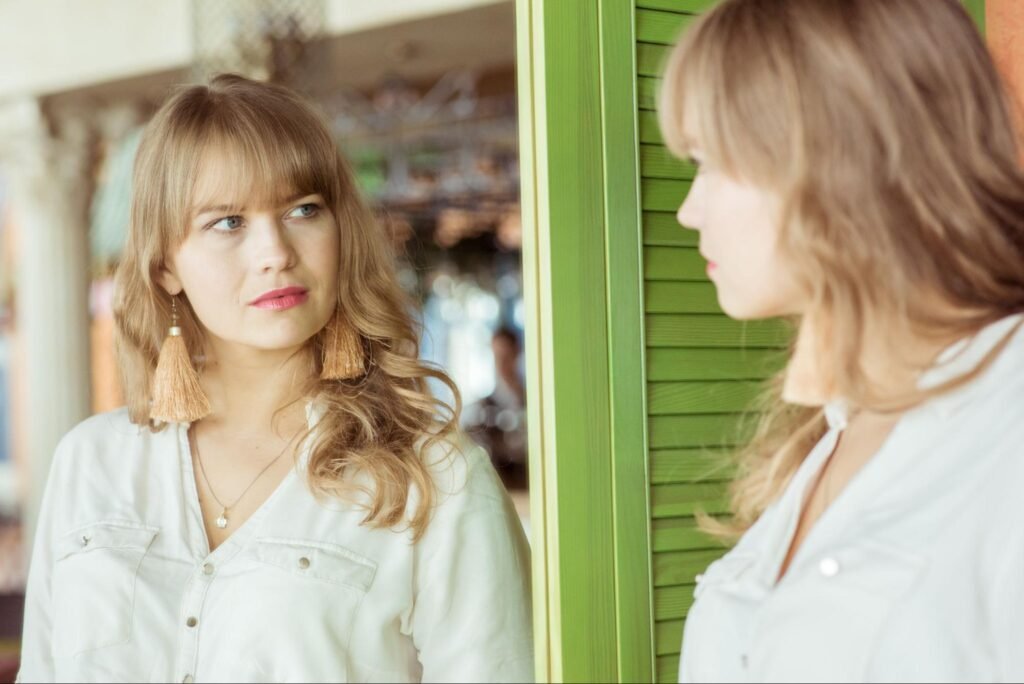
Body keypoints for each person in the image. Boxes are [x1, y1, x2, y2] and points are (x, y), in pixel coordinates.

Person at [17, 74, 533, 683]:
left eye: (303, 209)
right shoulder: (90, 463)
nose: (275, 252)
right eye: (228, 222)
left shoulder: (435, 480)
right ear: (165, 268)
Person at [658, 0, 1024, 681]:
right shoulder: (831, 431)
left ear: (835, 156)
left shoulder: (1007, 420)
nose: (687, 210)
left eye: (710, 162)